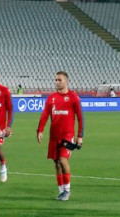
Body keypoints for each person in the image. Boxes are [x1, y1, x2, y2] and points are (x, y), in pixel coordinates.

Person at [37, 71, 83, 201]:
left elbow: (80, 117)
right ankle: (61, 190)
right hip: (54, 136)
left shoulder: (73, 97)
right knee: (57, 163)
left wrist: (80, 136)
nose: (57, 82)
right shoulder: (51, 98)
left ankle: (67, 190)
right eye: (56, 80)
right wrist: (40, 130)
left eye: (59, 80)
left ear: (66, 81)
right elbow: (45, 115)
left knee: (63, 160)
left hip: (67, 135)